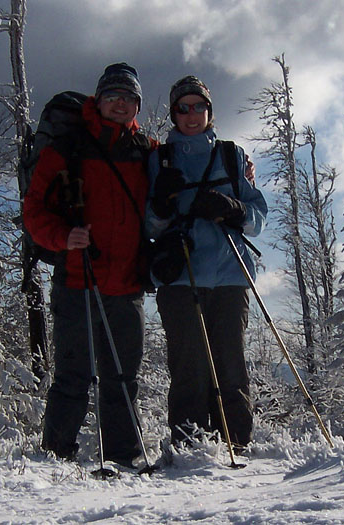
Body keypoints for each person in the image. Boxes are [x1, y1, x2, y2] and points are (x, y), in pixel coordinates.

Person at [23, 63, 155, 467]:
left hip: (127, 282)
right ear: (98, 101)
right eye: (112, 96)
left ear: (136, 105)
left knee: (123, 377)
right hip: (78, 279)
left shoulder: (147, 152)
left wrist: (242, 172)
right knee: (73, 375)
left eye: (128, 98)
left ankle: (124, 455)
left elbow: (177, 185)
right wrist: (63, 238)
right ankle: (55, 457)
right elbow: (34, 210)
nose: (119, 104)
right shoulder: (69, 146)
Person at [146, 76, 267, 450]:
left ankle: (237, 446)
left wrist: (233, 209)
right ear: (174, 113)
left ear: (210, 112)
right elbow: (148, 224)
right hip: (180, 277)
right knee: (189, 368)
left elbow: (258, 216)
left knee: (231, 365)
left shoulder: (231, 155)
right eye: (183, 108)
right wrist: (162, 207)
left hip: (231, 275)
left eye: (199, 106)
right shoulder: (158, 159)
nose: (192, 114)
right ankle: (189, 450)